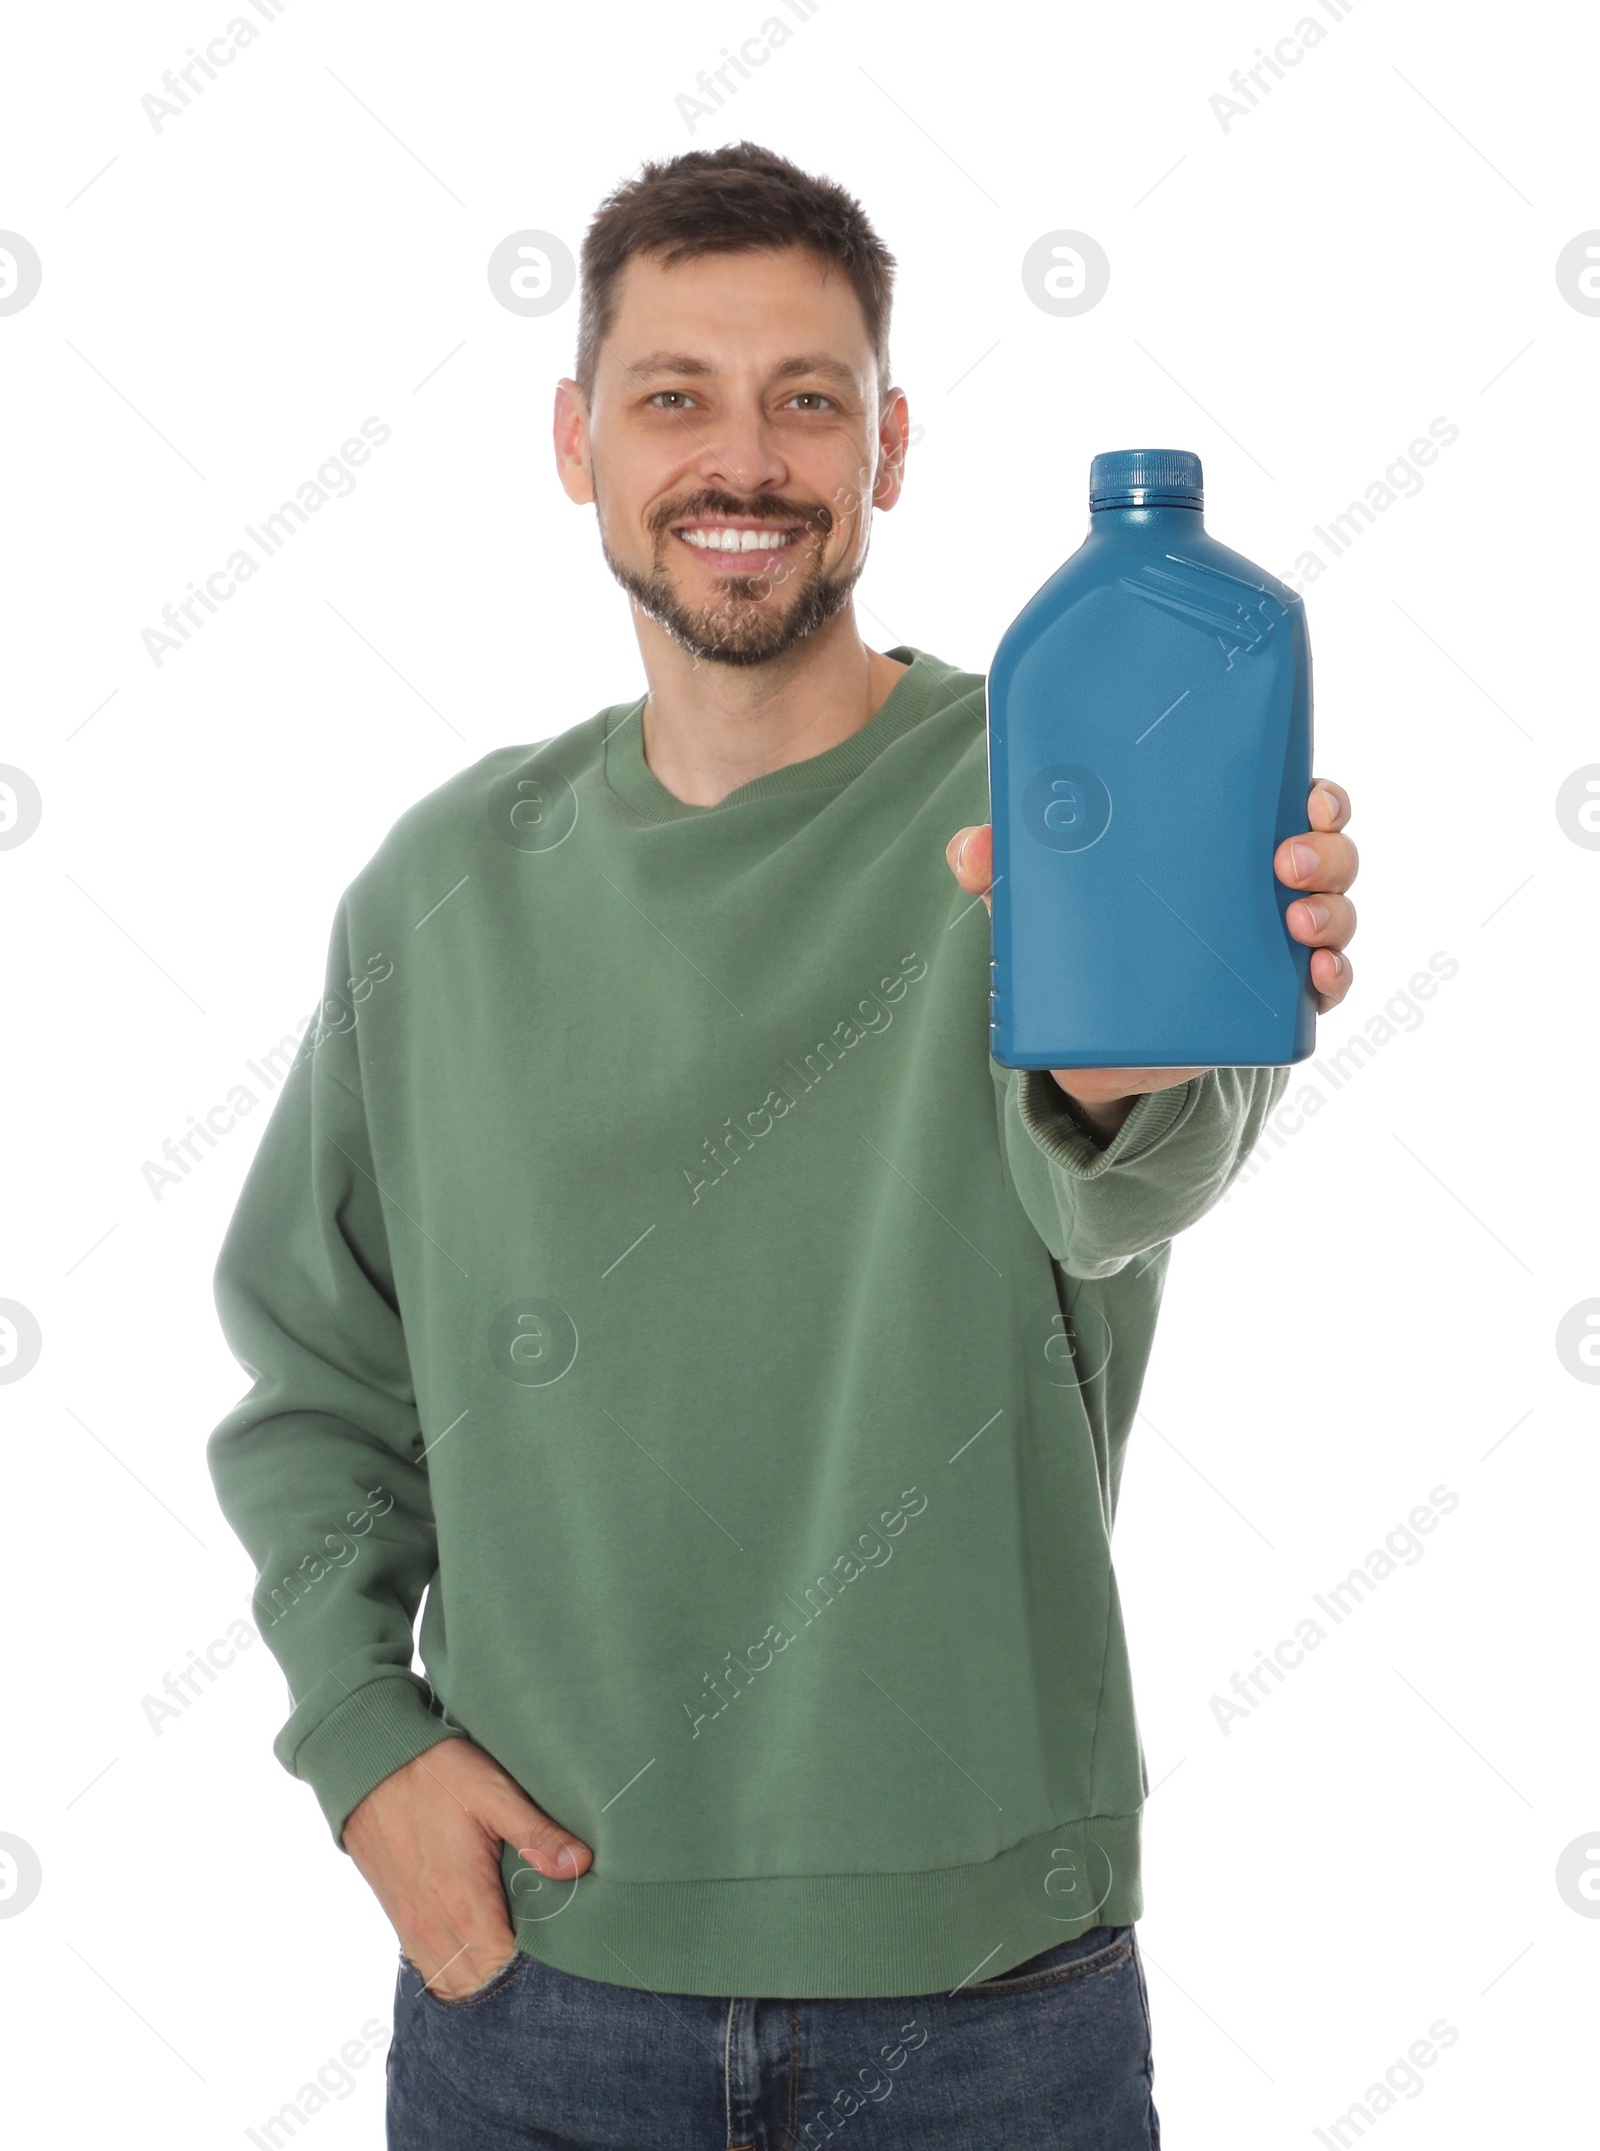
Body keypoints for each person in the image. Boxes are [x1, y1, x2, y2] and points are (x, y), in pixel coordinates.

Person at [209, 141, 1359, 2150]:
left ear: (886, 443)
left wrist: (1152, 1040)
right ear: (576, 439)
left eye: (804, 398)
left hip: (990, 2004)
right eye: (674, 394)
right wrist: (359, 1735)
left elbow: (1136, 1166)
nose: (738, 456)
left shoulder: (1055, 783)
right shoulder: (445, 886)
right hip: (537, 1983)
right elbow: (316, 1374)